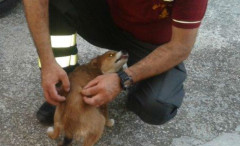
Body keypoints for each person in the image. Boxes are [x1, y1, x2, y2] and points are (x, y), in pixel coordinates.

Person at [23, 0, 208, 125]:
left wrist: (123, 79)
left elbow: (181, 46)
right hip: (110, 21)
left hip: (153, 44)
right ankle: (65, 89)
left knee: (156, 106)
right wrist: (48, 62)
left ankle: (137, 85)